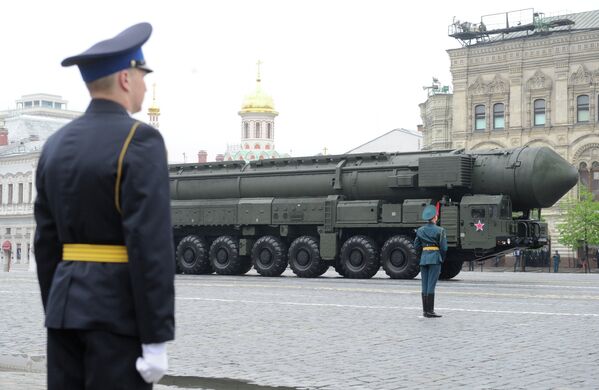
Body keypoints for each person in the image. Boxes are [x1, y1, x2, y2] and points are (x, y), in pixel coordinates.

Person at [34, 23, 175, 389]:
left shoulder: (55, 145)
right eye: (143, 74)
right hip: (116, 316)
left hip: (64, 312)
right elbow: (150, 243)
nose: (145, 83)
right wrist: (156, 336)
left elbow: (46, 243)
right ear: (126, 79)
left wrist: (59, 307)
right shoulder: (140, 140)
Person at [414, 205, 448, 318]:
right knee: (431, 285)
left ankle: (425, 311)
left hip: (424, 258)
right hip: (435, 258)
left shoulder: (420, 230)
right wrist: (440, 257)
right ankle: (430, 311)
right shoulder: (440, 230)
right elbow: (444, 248)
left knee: (424, 285)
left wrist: (422, 256)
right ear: (434, 217)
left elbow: (416, 246)